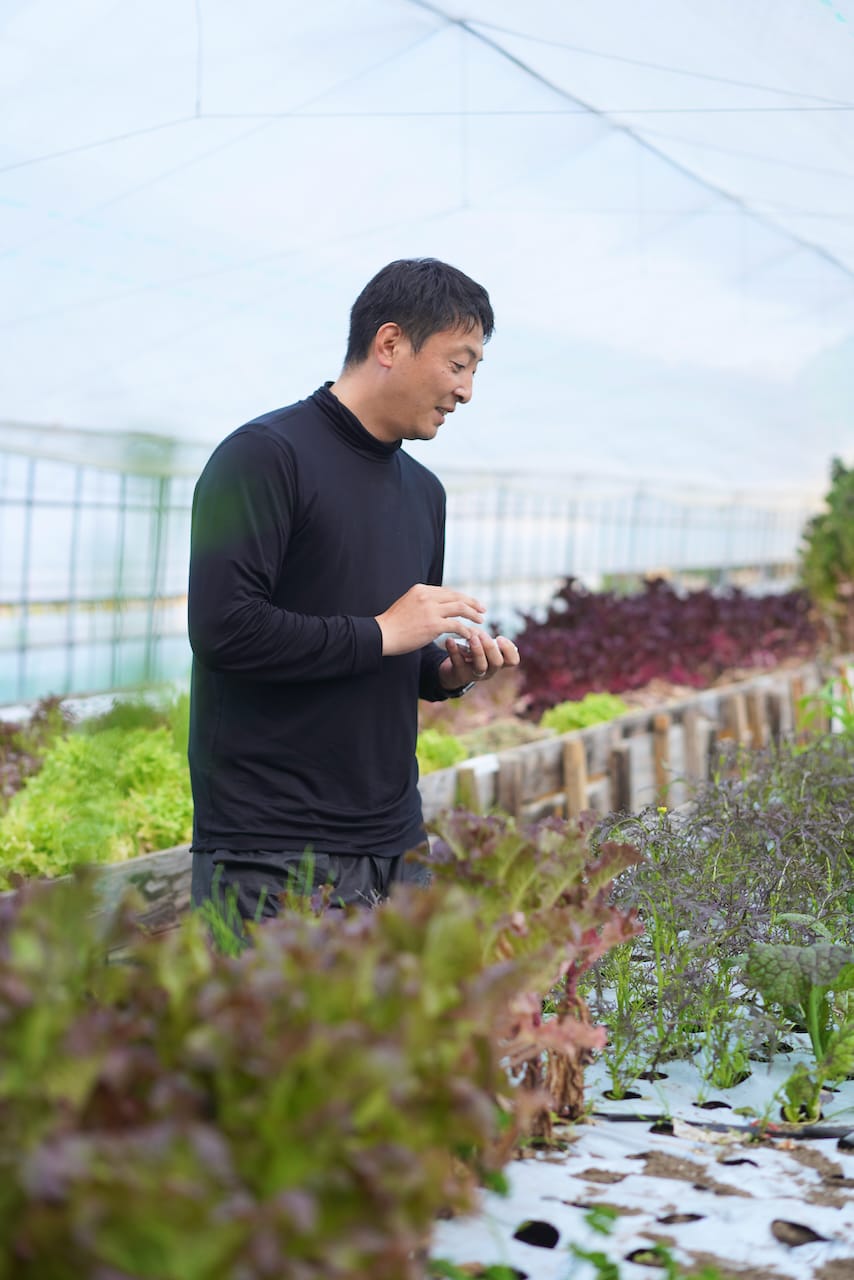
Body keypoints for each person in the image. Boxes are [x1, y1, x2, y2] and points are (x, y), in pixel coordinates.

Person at [187, 257, 520, 919]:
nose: (468, 391)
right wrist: (382, 631)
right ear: (390, 344)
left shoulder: (424, 493)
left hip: (395, 840)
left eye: (477, 370)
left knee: (408, 1028)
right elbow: (225, 629)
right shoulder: (263, 457)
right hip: (271, 850)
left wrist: (444, 671)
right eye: (459, 364)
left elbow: (389, 647)